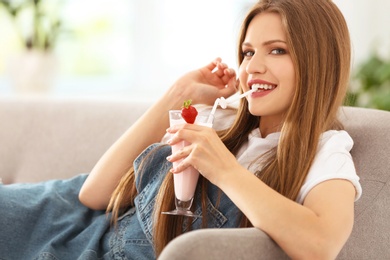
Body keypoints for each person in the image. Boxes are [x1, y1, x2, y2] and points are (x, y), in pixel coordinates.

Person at [0, 0, 362, 259]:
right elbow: (93, 194)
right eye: (249, 52)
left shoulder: (326, 150)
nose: (254, 67)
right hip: (65, 216)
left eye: (277, 51)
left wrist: (223, 168)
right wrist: (178, 96)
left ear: (318, 63)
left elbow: (320, 245)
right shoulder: (219, 120)